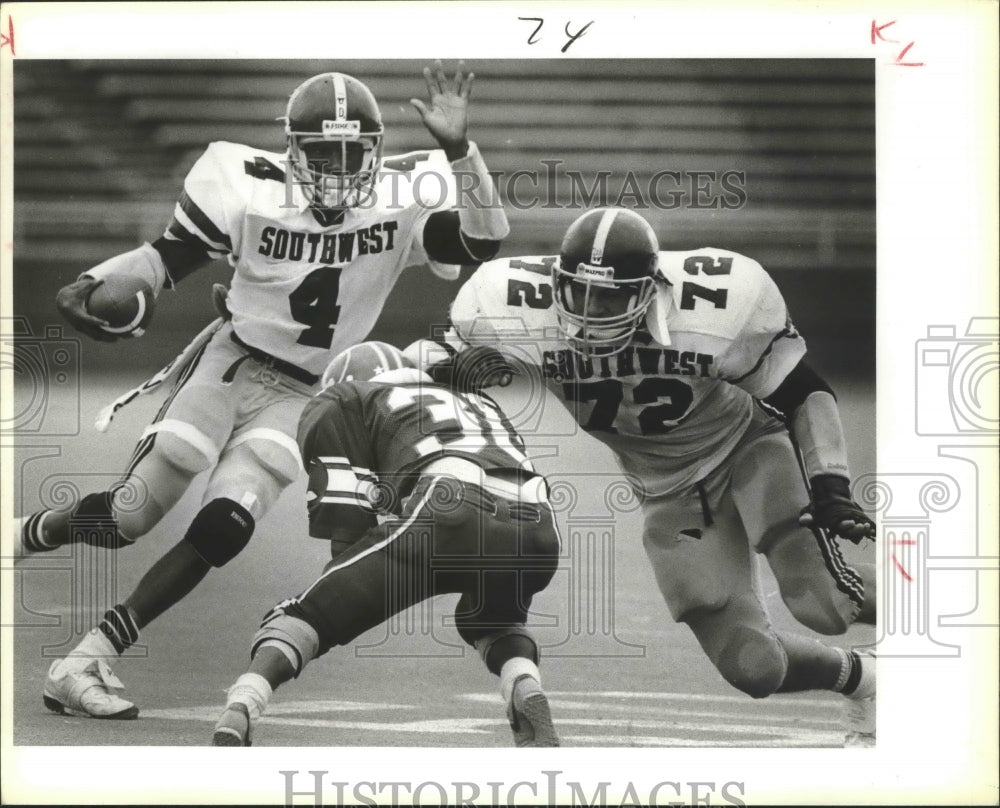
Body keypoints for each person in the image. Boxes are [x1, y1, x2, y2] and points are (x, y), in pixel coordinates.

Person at [16, 61, 511, 719]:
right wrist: (97, 279)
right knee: (129, 516)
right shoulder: (249, 186)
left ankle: (85, 661)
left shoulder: (404, 196)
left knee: (225, 527)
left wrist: (458, 150)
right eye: (322, 153)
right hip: (233, 363)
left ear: (376, 154)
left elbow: (485, 237)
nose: (337, 170)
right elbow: (165, 258)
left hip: (302, 395)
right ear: (292, 150)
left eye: (351, 154)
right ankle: (28, 532)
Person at [407, 207, 879, 747]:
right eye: (579, 292)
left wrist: (831, 484)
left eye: (610, 296)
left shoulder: (711, 309)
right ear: (556, 283)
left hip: (747, 447)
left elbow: (803, 391)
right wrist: (396, 383)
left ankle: (955, 609)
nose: (591, 311)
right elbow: (438, 362)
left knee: (823, 603)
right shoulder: (511, 306)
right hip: (665, 489)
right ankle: (871, 680)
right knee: (753, 668)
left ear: (650, 291)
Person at [210, 341, 561, 747]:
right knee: (489, 620)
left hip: (451, 506)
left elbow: (347, 535)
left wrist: (341, 602)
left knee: (309, 612)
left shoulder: (346, 398)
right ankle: (524, 683)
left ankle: (242, 705)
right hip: (538, 528)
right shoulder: (473, 400)